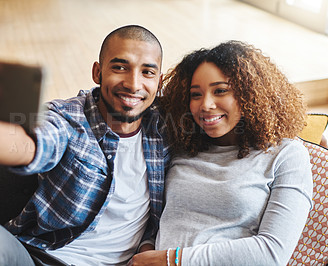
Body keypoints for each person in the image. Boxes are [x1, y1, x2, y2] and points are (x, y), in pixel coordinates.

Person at [0, 25, 171, 266]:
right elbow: (29, 145)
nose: (133, 83)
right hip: (43, 258)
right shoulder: (67, 118)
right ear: (98, 72)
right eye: (120, 67)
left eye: (147, 72)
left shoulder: (166, 128)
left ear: (159, 82)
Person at [128, 41, 313, 265]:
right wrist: (145, 250)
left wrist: (172, 260)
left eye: (220, 91)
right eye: (195, 95)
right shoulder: (181, 145)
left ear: (250, 94)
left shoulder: (287, 155)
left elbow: (273, 253)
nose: (205, 104)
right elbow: (154, 218)